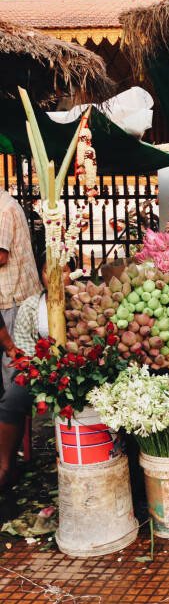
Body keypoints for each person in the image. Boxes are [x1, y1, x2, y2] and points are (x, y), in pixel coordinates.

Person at [0, 188, 43, 490]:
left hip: (13, 302)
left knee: (12, 385)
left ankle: (7, 465)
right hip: (6, 301)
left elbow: (0, 256)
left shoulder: (2, 208)